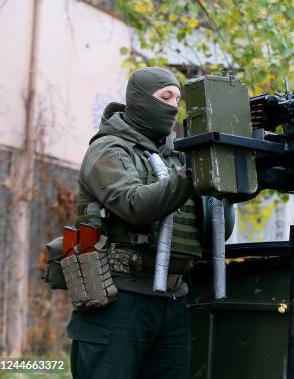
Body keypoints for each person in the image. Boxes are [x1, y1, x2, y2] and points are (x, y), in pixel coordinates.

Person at [67, 67, 201, 379]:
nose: (173, 106)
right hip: (119, 299)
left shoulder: (176, 157)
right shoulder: (109, 148)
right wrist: (196, 172)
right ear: (140, 100)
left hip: (173, 299)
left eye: (177, 99)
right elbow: (134, 205)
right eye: (165, 97)